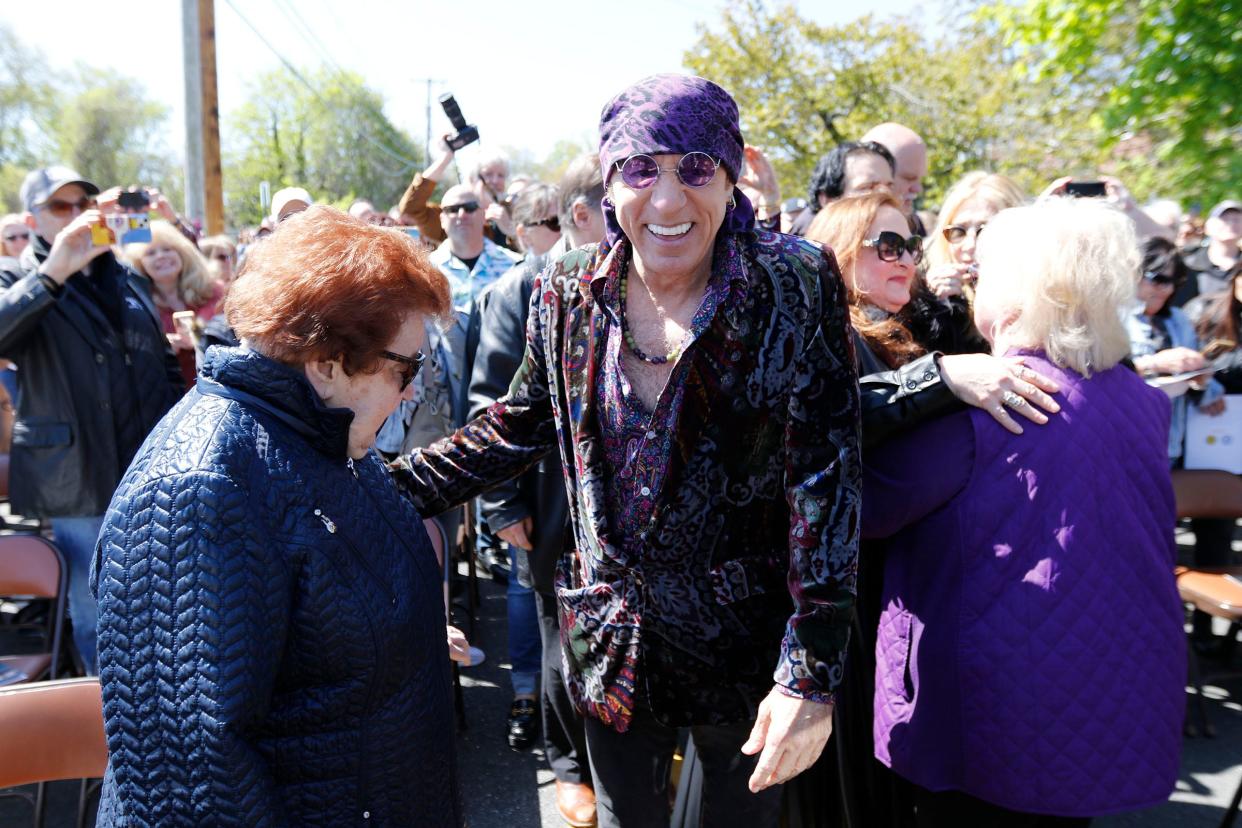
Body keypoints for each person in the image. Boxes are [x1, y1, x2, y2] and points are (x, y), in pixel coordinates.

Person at [392, 74, 861, 828]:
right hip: (611, 640)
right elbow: (515, 427)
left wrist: (811, 676)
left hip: (742, 652)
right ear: (609, 182)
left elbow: (826, 482)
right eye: (642, 169)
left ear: (732, 171)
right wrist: (378, 485)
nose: (668, 201)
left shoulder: (793, 281)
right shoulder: (564, 289)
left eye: (695, 168)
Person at [93, 206, 462, 826]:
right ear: (326, 361)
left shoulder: (319, 430)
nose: (411, 392)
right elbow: (187, 785)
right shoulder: (197, 491)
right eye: (406, 368)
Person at [862, 197, 1184, 825]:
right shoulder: (1142, 400)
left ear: (1013, 295)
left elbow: (864, 507)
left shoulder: (992, 404)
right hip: (1113, 680)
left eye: (982, 275)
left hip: (1002, 702)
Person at [801, 191, 1062, 827]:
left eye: (911, 245)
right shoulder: (821, 329)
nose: (906, 259)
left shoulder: (900, 330)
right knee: (849, 777)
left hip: (895, 578)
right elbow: (825, 413)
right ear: (839, 252)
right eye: (887, 245)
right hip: (842, 585)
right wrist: (941, 377)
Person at [0, 165, 183, 674]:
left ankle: (158, 700)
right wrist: (52, 274)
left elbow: (158, 358)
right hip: (76, 473)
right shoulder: (17, 275)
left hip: (144, 461)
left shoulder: (124, 272)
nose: (77, 215)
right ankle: (107, 721)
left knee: (158, 595)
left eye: (85, 203)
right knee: (95, 607)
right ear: (34, 219)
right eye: (61, 207)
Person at [466, 152, 603, 826]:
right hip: (546, 497)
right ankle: (566, 765)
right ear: (583, 214)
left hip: (614, 506)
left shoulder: (644, 281)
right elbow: (490, 402)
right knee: (556, 637)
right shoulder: (520, 291)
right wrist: (502, 503)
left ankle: (604, 765)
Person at [125, 220, 223, 387]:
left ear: (183, 254)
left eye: (167, 249)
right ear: (140, 263)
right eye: (150, 253)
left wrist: (201, 339)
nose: (161, 256)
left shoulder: (214, 291)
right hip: (170, 397)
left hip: (218, 391)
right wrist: (162, 347)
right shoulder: (137, 307)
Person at [923, 172, 1026, 304]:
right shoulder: (929, 296)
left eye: (986, 231)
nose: (970, 245)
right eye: (958, 232)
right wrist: (932, 304)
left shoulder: (1042, 304)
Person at [790, 140, 895, 236]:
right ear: (827, 200)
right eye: (868, 187)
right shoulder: (805, 254)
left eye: (889, 186)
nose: (886, 194)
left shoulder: (903, 247)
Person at [1178, 200, 1242, 305]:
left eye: (1237, 219)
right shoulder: (1189, 261)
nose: (1231, 224)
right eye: (1225, 219)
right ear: (1208, 226)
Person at [860, 123, 927, 220]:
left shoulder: (915, 227)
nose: (917, 189)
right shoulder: (837, 230)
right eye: (908, 178)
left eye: (919, 179)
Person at [510, 183, 562, 257]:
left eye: (570, 220)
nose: (568, 229)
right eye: (556, 222)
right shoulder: (520, 268)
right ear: (523, 233)